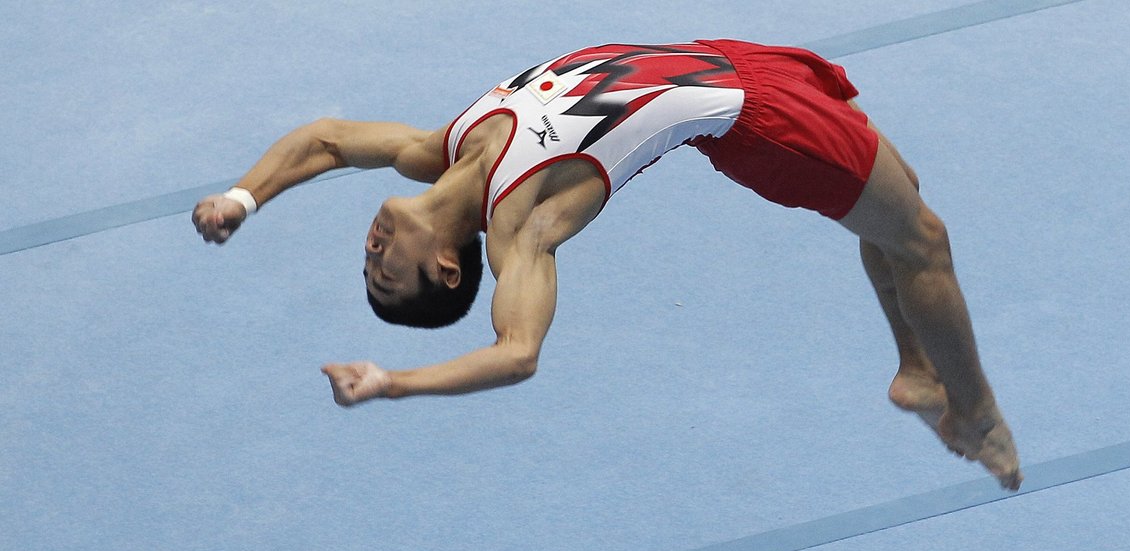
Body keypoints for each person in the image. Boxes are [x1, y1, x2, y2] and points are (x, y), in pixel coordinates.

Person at [192, 40, 1022, 490]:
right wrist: (392, 381)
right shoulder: (525, 228)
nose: (371, 249)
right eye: (386, 271)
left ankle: (918, 370)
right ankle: (977, 415)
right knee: (925, 241)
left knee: (898, 197)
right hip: (751, 118)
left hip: (730, 61)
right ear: (448, 268)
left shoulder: (433, 149)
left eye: (368, 261)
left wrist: (242, 198)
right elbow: (518, 352)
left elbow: (327, 138)